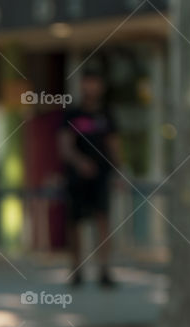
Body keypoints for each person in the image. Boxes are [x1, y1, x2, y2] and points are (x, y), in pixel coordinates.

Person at [58, 67, 122, 287]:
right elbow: (64, 146)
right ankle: (76, 270)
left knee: (103, 222)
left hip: (101, 178)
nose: (91, 87)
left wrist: (118, 172)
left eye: (95, 82)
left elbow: (115, 147)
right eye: (88, 82)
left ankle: (104, 271)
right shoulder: (72, 114)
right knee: (75, 224)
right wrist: (80, 163)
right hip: (76, 179)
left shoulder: (107, 115)